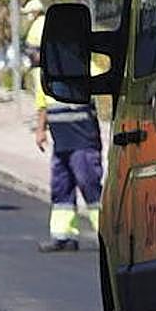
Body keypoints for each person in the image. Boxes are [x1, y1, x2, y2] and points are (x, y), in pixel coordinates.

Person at [34, 36, 103, 253]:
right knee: (61, 189)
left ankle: (106, 236)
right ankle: (63, 236)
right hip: (61, 143)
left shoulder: (84, 67)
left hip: (83, 141)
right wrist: (40, 130)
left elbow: (104, 87)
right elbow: (42, 105)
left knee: (89, 186)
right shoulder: (43, 74)